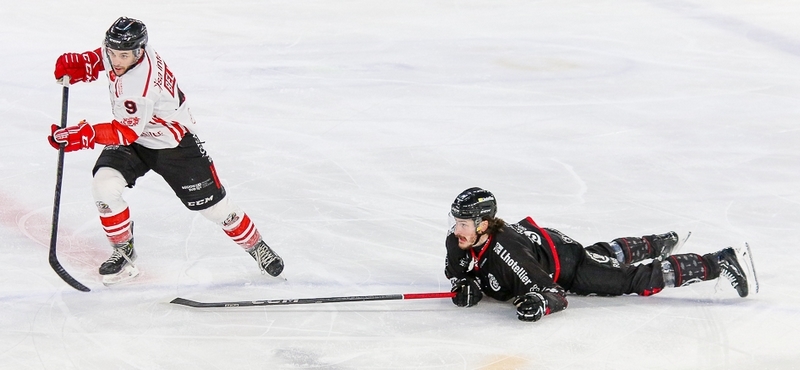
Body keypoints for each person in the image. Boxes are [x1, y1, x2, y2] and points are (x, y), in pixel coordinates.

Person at [48, 17, 284, 285]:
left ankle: (257, 246)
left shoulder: (139, 84)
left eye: (122, 55)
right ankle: (123, 252)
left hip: (173, 144)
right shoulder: (128, 52)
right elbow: (103, 58)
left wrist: (84, 134)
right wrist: (85, 64)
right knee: (104, 186)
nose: (115, 60)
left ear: (138, 52)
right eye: (112, 52)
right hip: (136, 139)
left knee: (215, 209)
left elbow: (124, 132)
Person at [444, 187, 754, 322]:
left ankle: (720, 261)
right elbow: (461, 272)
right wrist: (466, 286)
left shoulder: (509, 254)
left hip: (567, 265)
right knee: (604, 254)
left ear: (483, 224)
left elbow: (552, 293)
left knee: (630, 279)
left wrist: (540, 304)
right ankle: (659, 242)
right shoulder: (459, 239)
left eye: (462, 223)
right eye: (455, 221)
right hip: (547, 245)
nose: (455, 229)